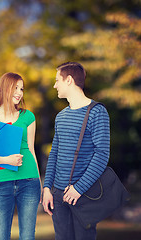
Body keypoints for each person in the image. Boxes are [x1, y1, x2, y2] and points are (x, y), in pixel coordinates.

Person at [42, 62, 110, 240]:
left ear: (69, 80)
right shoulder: (61, 116)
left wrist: (78, 189)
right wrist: (47, 187)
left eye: (58, 80)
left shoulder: (97, 112)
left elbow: (102, 154)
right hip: (58, 194)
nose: (55, 85)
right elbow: (54, 154)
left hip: (84, 195)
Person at [0, 72, 42, 240]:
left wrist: (40, 184)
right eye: (15, 88)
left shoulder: (28, 116)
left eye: (21, 89)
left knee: (28, 236)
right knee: (0, 236)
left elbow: (31, 149)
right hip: (1, 182)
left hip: (29, 180)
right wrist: (5, 160)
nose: (19, 92)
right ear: (4, 88)